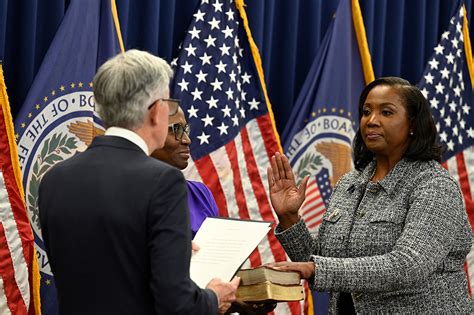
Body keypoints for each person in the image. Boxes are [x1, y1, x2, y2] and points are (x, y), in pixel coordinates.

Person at [38, 49, 239, 315]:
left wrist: (165, 250)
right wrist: (214, 298)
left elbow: (104, 267)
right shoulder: (163, 182)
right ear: (156, 111)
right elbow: (177, 307)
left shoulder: (54, 179)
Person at [267, 77, 473, 313]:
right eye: (366, 112)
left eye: (386, 112)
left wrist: (316, 269)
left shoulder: (434, 185)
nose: (371, 121)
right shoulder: (349, 184)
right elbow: (321, 262)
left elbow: (409, 265)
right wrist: (289, 217)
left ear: (413, 124)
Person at [151, 107, 219, 238]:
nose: (187, 140)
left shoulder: (200, 194)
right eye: (175, 129)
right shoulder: (131, 196)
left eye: (185, 129)